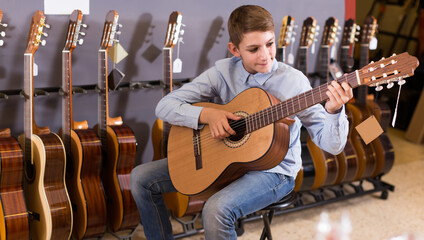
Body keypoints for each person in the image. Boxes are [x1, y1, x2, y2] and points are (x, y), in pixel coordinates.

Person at [131, 4, 353, 240]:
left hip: (276, 172)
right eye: (254, 48)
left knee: (216, 210)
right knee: (141, 178)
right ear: (234, 49)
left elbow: (333, 145)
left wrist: (334, 111)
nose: (265, 55)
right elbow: (164, 106)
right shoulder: (223, 72)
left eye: (269, 44)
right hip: (227, 160)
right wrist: (208, 115)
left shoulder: (294, 82)